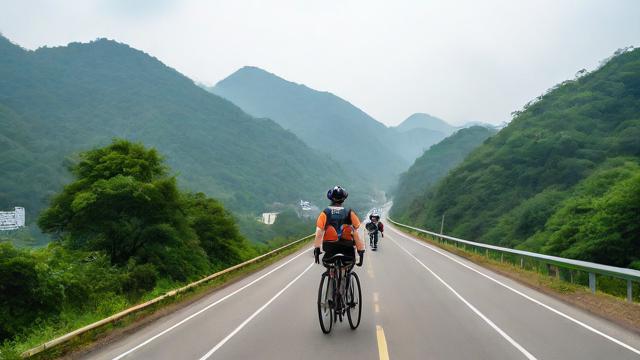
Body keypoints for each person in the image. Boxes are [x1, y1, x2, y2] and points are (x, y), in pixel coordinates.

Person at [313, 186, 365, 267]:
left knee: (329, 264)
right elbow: (356, 230)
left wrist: (317, 248)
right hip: (347, 246)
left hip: (329, 247)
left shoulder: (325, 212)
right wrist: (360, 250)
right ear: (343, 199)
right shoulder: (349, 212)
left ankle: (331, 274)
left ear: (330, 198)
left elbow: (319, 233)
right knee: (348, 265)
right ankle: (346, 276)